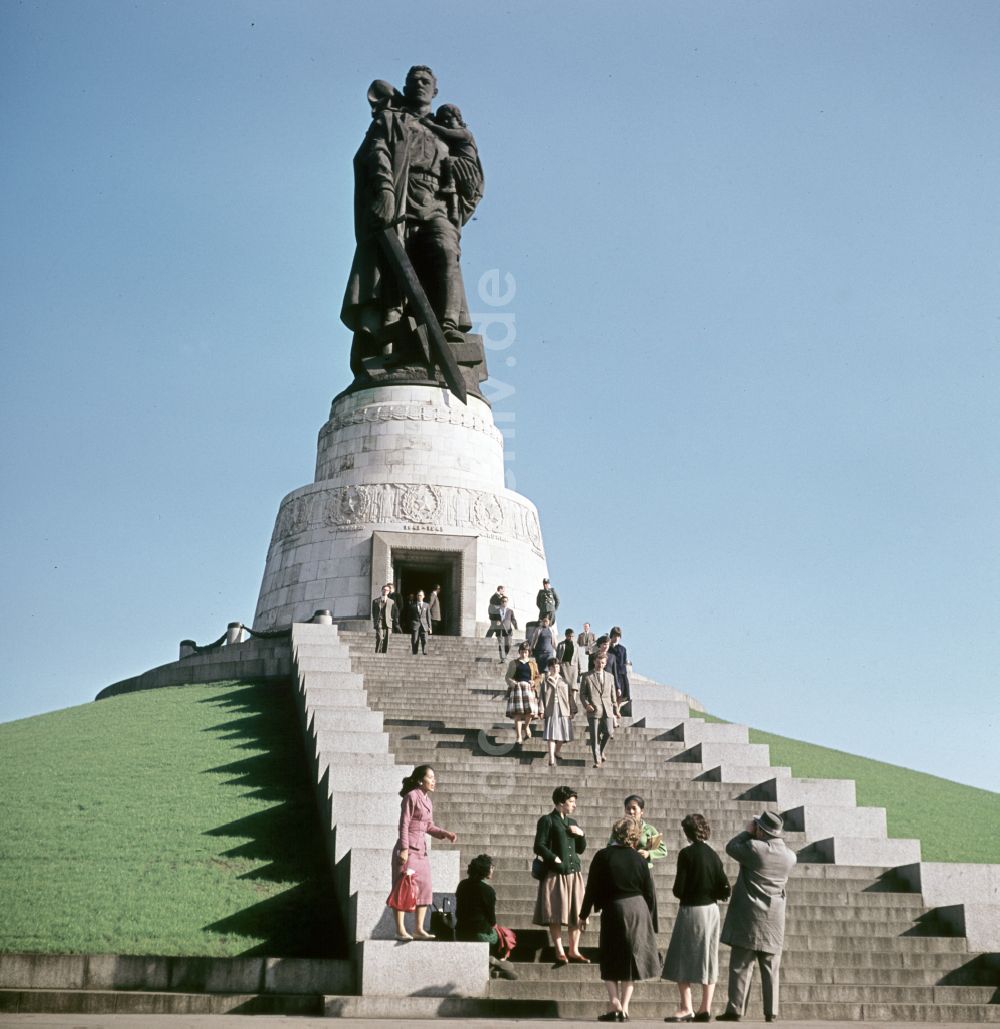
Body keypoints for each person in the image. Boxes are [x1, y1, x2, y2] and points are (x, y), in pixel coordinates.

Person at [341, 66, 482, 372]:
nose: (419, 85)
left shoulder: (447, 130)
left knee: (446, 251)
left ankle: (447, 327)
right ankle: (389, 343)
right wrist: (385, 190)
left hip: (436, 204)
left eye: (425, 81)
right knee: (392, 276)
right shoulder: (391, 120)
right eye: (413, 81)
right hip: (400, 200)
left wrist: (460, 180)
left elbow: (473, 179)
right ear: (405, 88)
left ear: (435, 91)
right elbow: (375, 153)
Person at [717, 812, 797, 1024]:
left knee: (741, 964)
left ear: (761, 829)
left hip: (749, 915)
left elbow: (731, 847)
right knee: (771, 966)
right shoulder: (790, 856)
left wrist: (747, 831)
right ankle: (771, 1011)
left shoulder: (755, 848)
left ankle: (736, 1008)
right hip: (774, 916)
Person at [579, 815, 660, 1022]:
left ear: (615, 833)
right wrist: (650, 918)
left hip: (614, 908)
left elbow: (592, 888)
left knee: (610, 955)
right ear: (634, 836)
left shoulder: (603, 856)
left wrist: (583, 914)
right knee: (631, 959)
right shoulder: (640, 859)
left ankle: (614, 1002)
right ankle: (624, 1008)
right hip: (639, 907)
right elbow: (649, 892)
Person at [662, 813, 731, 1023]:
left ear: (688, 832)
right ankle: (705, 1007)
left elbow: (678, 889)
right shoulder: (713, 855)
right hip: (712, 910)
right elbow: (724, 887)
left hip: (692, 909)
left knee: (682, 957)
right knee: (708, 958)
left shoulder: (686, 854)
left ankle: (686, 1007)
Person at [390, 765, 457, 940]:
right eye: (431, 777)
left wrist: (444, 833)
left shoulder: (427, 801)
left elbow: (428, 826)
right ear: (421, 780)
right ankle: (400, 929)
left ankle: (418, 929)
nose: (434, 781)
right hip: (408, 849)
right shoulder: (411, 797)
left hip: (422, 851)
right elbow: (404, 824)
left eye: (434, 777)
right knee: (403, 888)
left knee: (425, 888)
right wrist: (404, 849)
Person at [533, 785, 588, 964]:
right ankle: (559, 951)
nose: (574, 805)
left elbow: (581, 849)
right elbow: (539, 845)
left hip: (574, 873)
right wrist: (554, 858)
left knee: (578, 912)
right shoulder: (547, 820)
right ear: (560, 802)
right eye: (571, 802)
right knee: (555, 912)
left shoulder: (573, 822)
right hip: (555, 873)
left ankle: (574, 950)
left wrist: (581, 834)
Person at [455, 853, 518, 980]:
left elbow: (458, 911)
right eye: (491, 867)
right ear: (484, 870)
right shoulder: (488, 890)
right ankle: (497, 961)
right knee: (505, 935)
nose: (493, 869)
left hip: (460, 931)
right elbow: (492, 919)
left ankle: (493, 963)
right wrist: (497, 929)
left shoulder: (462, 885)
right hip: (480, 933)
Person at [423, 104, 484, 228]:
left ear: (458, 118)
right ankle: (454, 211)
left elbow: (447, 133)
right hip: (459, 164)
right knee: (453, 190)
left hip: (466, 163)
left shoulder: (465, 133)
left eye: (448, 118)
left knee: (449, 161)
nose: (445, 122)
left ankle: (450, 185)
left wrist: (430, 125)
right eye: (442, 120)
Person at [579, 651, 619, 767]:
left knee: (609, 731)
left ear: (605, 663)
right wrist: (587, 705)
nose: (600, 665)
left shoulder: (610, 677)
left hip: (607, 708)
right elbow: (582, 694)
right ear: (594, 662)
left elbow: (613, 695)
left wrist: (616, 710)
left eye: (602, 663)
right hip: (594, 709)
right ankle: (597, 759)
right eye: (598, 662)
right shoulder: (587, 676)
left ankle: (600, 751)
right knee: (595, 735)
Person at [612, 795, 667, 868]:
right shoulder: (619, 828)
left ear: (642, 811)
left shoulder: (649, 829)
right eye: (628, 808)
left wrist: (648, 853)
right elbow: (609, 846)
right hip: (624, 868)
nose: (631, 812)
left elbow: (663, 850)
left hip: (644, 868)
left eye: (634, 808)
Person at [538, 658, 573, 766]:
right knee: (551, 734)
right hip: (550, 708)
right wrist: (541, 710)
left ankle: (557, 750)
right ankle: (551, 757)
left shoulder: (564, 680)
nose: (555, 669)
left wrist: (572, 710)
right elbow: (542, 697)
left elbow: (570, 696)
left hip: (563, 709)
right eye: (553, 667)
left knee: (563, 733)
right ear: (549, 668)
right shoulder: (546, 681)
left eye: (557, 666)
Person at [505, 642, 539, 744]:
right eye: (522, 652)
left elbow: (538, 677)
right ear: (519, 652)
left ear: (528, 653)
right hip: (517, 689)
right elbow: (507, 677)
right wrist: (512, 683)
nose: (524, 654)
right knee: (517, 714)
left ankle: (527, 726)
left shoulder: (533, 664)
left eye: (526, 652)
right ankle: (518, 736)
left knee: (530, 712)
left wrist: (534, 682)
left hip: (529, 689)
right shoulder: (513, 663)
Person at [556, 628, 585, 714]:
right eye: (569, 636)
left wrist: (580, 669)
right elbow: (558, 657)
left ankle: (573, 706)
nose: (571, 638)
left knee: (574, 687)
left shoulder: (576, 645)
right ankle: (567, 705)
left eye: (572, 636)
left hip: (573, 667)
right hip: (564, 666)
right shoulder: (561, 645)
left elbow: (578, 657)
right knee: (566, 686)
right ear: (566, 636)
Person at [607, 627, 632, 713]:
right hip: (611, 673)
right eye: (615, 636)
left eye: (618, 636)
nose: (617, 638)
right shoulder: (608, 648)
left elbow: (623, 661)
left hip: (621, 674)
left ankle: (617, 710)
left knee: (620, 695)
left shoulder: (623, 649)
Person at [406, 589, 432, 656]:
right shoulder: (412, 605)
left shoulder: (426, 605)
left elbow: (428, 617)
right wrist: (411, 624)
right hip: (415, 624)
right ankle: (415, 652)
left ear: (423, 596)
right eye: (418, 595)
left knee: (425, 639)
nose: (419, 597)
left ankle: (425, 652)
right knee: (415, 639)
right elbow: (409, 616)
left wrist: (430, 627)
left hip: (424, 625)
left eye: (420, 595)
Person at [371, 583, 395, 654]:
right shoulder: (375, 601)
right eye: (384, 590)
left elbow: (393, 612)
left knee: (386, 639)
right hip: (379, 621)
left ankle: (384, 653)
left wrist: (391, 619)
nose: (385, 591)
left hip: (387, 622)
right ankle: (377, 652)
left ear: (389, 592)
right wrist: (375, 619)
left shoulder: (391, 601)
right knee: (380, 637)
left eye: (387, 590)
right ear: (381, 590)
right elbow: (373, 612)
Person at [495, 595, 518, 660]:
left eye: (506, 601)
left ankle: (505, 654)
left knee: (508, 644)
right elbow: (493, 619)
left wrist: (516, 627)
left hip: (508, 630)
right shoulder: (497, 610)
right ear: (501, 602)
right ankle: (502, 657)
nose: (504, 602)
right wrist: (496, 622)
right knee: (501, 644)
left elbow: (513, 619)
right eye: (503, 601)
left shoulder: (510, 611)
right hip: (499, 629)